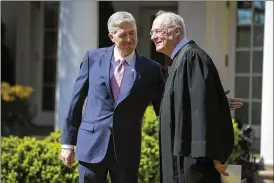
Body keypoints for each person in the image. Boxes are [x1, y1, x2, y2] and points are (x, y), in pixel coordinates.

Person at [60, 11, 165, 183]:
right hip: (91, 147)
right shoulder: (92, 58)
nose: (130, 39)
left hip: (127, 151)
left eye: (133, 33)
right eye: (123, 35)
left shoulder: (151, 69)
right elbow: (76, 102)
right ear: (111, 36)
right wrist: (67, 144)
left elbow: (163, 109)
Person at [150, 11, 242, 183]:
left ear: (177, 31)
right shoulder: (179, 60)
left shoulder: (192, 57)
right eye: (152, 32)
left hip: (192, 162)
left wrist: (215, 155)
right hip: (180, 158)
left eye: (158, 31)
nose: (153, 37)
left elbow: (202, 107)